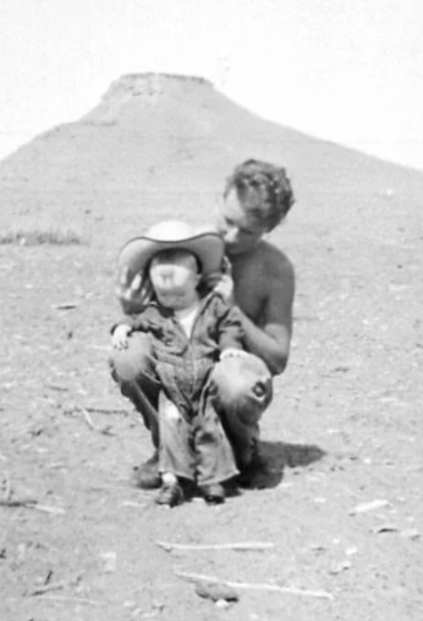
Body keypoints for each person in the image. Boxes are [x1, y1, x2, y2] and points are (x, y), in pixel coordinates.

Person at [110, 159, 296, 488]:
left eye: (249, 231)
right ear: (219, 198)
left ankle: (242, 454)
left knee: (234, 384)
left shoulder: (276, 269)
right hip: (178, 365)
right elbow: (153, 319)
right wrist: (131, 307)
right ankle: (168, 448)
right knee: (129, 357)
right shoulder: (182, 245)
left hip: (227, 368)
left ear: (269, 229)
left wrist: (233, 308)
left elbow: (277, 359)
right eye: (228, 221)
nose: (233, 236)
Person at [111, 223, 244, 506]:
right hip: (172, 389)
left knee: (210, 429)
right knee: (171, 429)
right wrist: (122, 327)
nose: (171, 301)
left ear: (197, 279)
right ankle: (172, 482)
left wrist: (230, 349)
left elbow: (229, 327)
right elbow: (137, 319)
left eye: (179, 296)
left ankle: (213, 482)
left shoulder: (213, 307)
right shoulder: (157, 313)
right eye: (164, 296)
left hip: (205, 384)